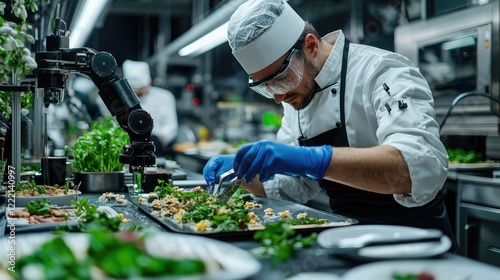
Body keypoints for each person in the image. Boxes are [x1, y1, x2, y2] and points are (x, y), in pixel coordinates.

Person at [203, 0, 459, 252]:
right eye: (267, 88)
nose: (279, 97)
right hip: (348, 243)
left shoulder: (382, 71)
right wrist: (242, 173)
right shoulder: (298, 97)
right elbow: (293, 186)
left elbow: (418, 167)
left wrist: (316, 159)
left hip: (417, 246)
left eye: (282, 79)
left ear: (311, 46)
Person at [122, 60, 178, 158]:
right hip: (129, 146)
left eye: (141, 90)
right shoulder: (122, 99)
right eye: (134, 91)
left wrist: (156, 137)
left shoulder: (164, 97)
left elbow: (171, 127)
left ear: (149, 83)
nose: (138, 95)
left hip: (156, 146)